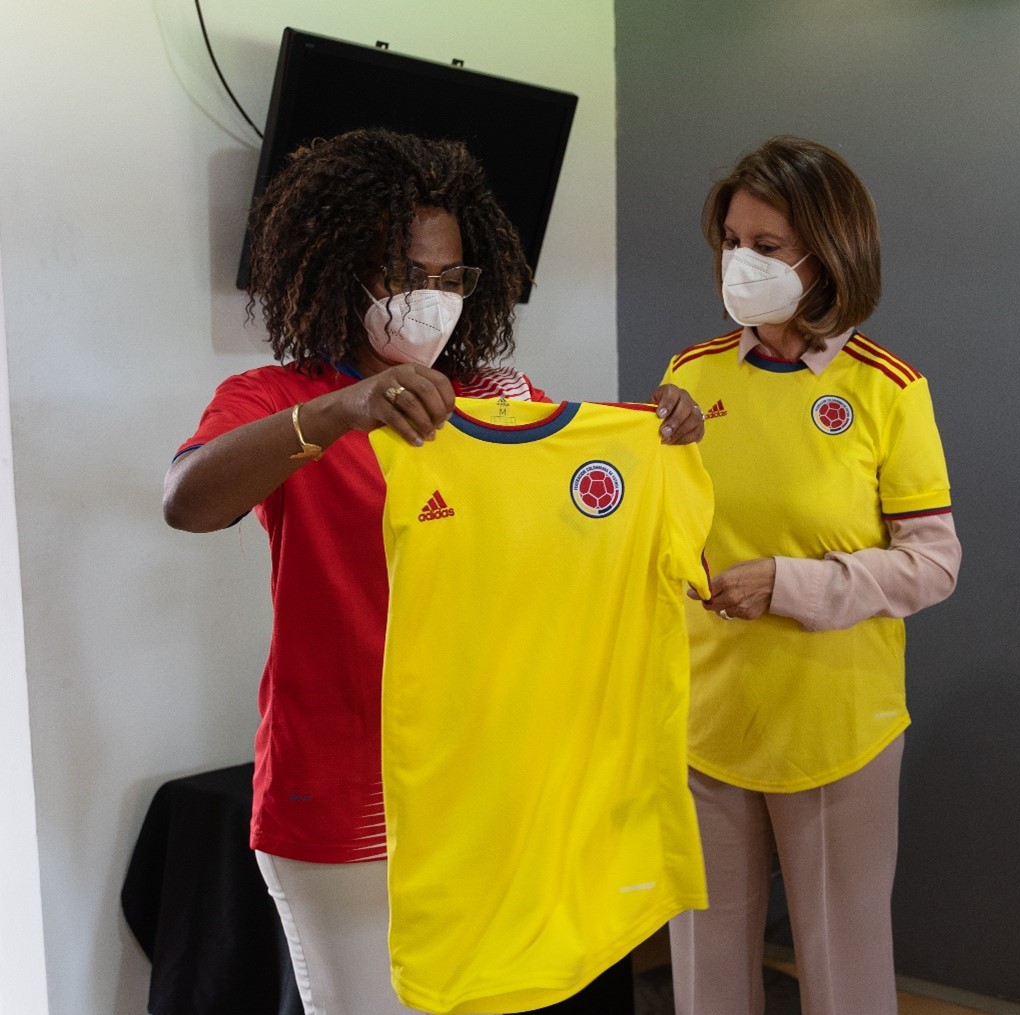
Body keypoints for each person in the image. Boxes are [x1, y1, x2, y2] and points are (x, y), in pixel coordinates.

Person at [162, 128, 704, 1015]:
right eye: (406, 274)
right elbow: (189, 498)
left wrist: (658, 433)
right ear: (338, 269)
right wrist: (341, 412)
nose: (431, 299)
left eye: (451, 280)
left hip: (479, 783)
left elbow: (567, 526)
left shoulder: (495, 399)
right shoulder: (280, 397)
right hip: (338, 792)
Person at [661, 136, 961, 1015]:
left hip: (837, 724)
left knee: (844, 970)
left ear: (827, 254)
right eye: (730, 240)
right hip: (708, 715)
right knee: (706, 967)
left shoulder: (887, 389)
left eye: (764, 246)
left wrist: (791, 585)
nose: (738, 262)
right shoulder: (691, 374)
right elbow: (666, 529)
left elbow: (934, 561)